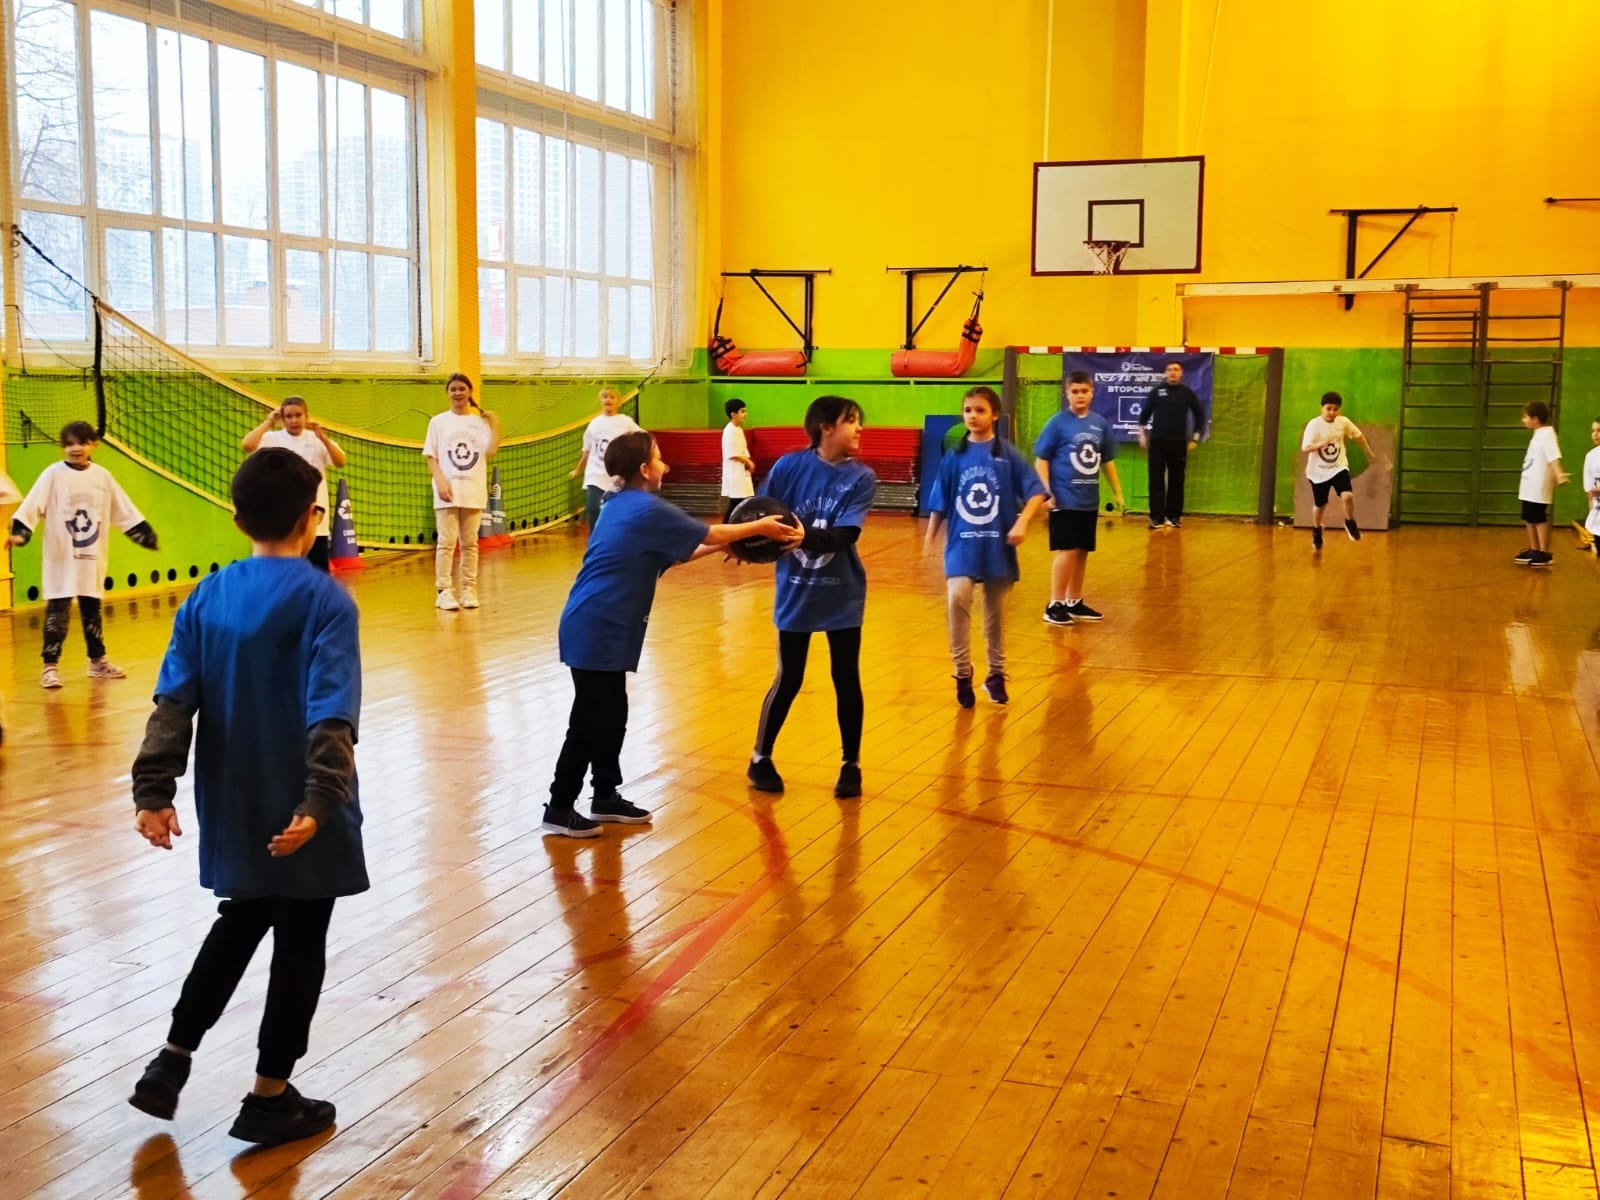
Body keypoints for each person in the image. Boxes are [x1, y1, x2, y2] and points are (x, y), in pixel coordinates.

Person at [127, 448, 364, 1147]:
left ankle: (171, 1060)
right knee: (300, 942)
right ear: (313, 517)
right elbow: (331, 712)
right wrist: (319, 803)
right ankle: (269, 1097)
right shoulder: (326, 599)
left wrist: (153, 790)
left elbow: (174, 702)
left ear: (237, 520)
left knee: (241, 919)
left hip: (234, 799)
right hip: (302, 803)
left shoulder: (207, 595)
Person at [543, 431, 802, 837]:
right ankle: (559, 807)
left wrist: (726, 547)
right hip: (596, 624)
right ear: (644, 470)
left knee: (613, 713)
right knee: (590, 718)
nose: (666, 465)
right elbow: (710, 533)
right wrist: (760, 528)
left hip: (601, 623)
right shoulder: (645, 507)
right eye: (659, 458)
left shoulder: (621, 505)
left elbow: (681, 553)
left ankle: (605, 796)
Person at [747, 396, 877, 800]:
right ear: (826, 427)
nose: (859, 428)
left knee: (846, 677)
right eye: (851, 421)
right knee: (789, 677)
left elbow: (846, 535)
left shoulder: (862, 477)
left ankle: (851, 764)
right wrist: (741, 543)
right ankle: (760, 758)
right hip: (796, 590)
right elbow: (759, 514)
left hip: (843, 593)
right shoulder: (789, 467)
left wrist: (806, 537)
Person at [9, 421, 159, 688]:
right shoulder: (53, 475)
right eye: (68, 444)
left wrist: (144, 535)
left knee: (92, 610)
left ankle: (97, 662)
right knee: (57, 613)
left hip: (91, 555)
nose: (75, 448)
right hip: (60, 557)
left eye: (81, 442)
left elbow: (123, 509)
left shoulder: (103, 477)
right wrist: (20, 535)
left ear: (94, 445)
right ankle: (49, 667)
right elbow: (32, 507)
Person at [924, 386, 1046, 707]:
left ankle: (996, 674)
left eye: (980, 410)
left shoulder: (1008, 455)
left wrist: (1023, 522)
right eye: (968, 410)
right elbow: (940, 500)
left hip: (997, 547)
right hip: (961, 546)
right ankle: (962, 672)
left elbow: (1036, 492)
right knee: (957, 598)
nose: (973, 416)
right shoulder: (954, 456)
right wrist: (929, 538)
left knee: (995, 616)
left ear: (994, 415)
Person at [1035, 372, 1124, 626]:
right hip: (1064, 499)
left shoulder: (1099, 424)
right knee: (1068, 550)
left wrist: (1117, 491)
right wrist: (1046, 492)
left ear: (1092, 392)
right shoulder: (1057, 423)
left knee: (1082, 551)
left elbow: (1107, 460)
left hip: (1088, 500)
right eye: (1075, 391)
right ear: (1067, 394)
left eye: (1084, 391)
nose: (1080, 396)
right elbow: (1041, 460)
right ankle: (1055, 604)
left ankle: (1074, 601)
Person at [242, 396, 346, 572]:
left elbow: (340, 461)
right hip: (284, 522)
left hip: (314, 522)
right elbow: (247, 445)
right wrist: (268, 422)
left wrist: (325, 439)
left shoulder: (316, 439)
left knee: (318, 574)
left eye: (298, 415)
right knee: (285, 573)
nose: (294, 420)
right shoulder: (272, 438)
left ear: (306, 416)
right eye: (288, 416)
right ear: (282, 418)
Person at [423, 373, 499, 610]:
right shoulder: (438, 422)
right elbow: (430, 455)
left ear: (470, 392)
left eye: (461, 389)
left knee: (470, 543)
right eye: (453, 389)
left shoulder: (479, 423)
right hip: (447, 491)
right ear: (448, 393)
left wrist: (494, 424)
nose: (457, 393)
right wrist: (440, 482)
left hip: (472, 490)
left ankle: (468, 589)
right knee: (446, 543)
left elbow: (491, 450)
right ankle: (444, 591)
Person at [1300, 391, 1378, 551]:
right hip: (1318, 472)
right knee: (1320, 505)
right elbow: (1305, 448)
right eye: (1328, 408)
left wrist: (1368, 452)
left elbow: (1358, 436)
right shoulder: (1314, 425)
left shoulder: (1343, 422)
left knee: (1348, 496)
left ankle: (1349, 521)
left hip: (1338, 467)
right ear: (1321, 408)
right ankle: (1317, 529)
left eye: (1335, 409)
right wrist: (1320, 444)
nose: (1332, 412)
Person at [1137, 361, 1207, 529]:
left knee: (1177, 481)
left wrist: (1195, 438)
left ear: (1181, 373)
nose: (1172, 372)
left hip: (1178, 443)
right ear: (1165, 373)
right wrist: (1142, 436)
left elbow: (1200, 416)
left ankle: (1174, 516)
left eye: (1176, 370)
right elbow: (1144, 416)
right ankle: (1156, 518)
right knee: (1156, 480)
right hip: (1157, 443)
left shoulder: (1187, 393)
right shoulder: (1157, 392)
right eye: (1169, 370)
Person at [568, 386, 640, 532]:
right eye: (605, 396)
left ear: (618, 401)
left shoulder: (626, 422)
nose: (608, 399)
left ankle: (616, 538)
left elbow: (643, 438)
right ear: (600, 400)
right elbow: (587, 451)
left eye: (612, 397)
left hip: (616, 476)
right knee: (593, 508)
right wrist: (578, 470)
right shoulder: (594, 424)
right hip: (595, 474)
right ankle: (595, 539)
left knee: (616, 512)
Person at [1516, 399, 1569, 567]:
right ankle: (1534, 549)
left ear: (1535, 419)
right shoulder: (1538, 434)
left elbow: (1553, 457)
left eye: (1526, 417)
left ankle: (1544, 552)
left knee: (1538, 517)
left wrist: (1559, 474)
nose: (1523, 420)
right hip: (1529, 485)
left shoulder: (1547, 434)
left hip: (1538, 485)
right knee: (1528, 517)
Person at [721, 398, 756, 521]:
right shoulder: (729, 431)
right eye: (742, 411)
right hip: (735, 473)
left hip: (741, 473)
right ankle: (725, 526)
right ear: (733, 414)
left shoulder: (738, 429)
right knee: (736, 503)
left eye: (745, 411)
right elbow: (732, 453)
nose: (745, 414)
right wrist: (748, 462)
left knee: (741, 502)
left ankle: (736, 525)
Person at [1580, 417, 1600, 558]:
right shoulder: (1591, 456)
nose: (1595, 434)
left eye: (1599, 430)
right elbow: (1590, 493)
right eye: (1593, 431)